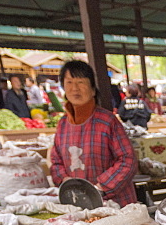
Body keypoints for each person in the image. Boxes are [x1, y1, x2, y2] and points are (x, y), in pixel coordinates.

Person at [50, 59, 137, 207]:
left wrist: (100, 188)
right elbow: (56, 161)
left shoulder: (107, 121)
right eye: (69, 82)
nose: (74, 88)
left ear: (92, 89)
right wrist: (64, 181)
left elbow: (127, 160)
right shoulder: (63, 124)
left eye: (81, 82)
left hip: (114, 205)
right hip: (77, 205)